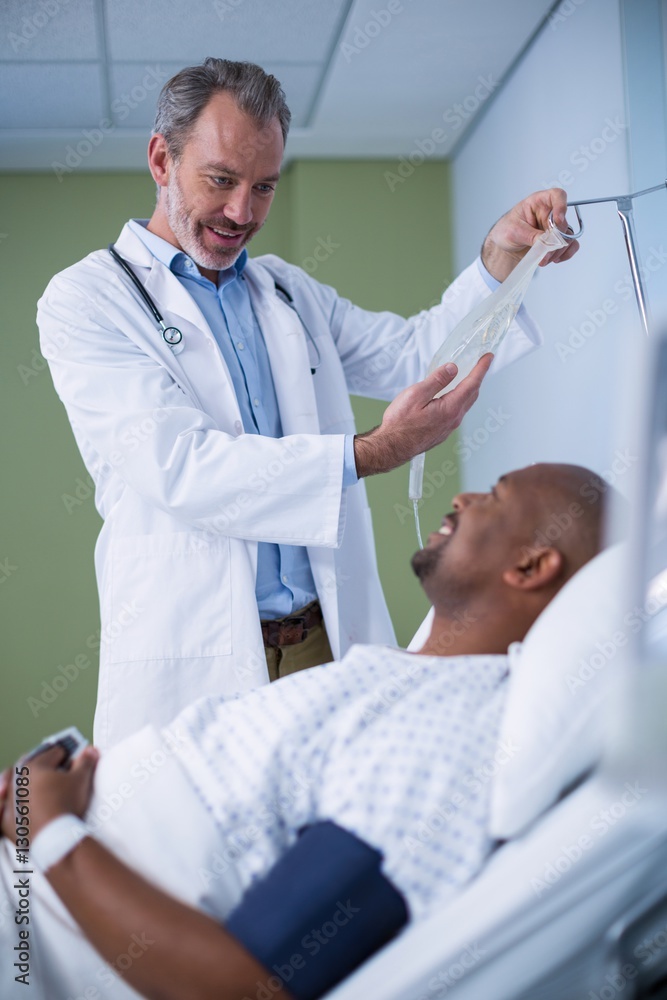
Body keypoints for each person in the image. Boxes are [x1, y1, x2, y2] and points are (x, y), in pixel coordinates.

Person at [36, 57, 579, 750]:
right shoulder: (89, 300)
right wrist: (374, 451)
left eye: (263, 187)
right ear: (160, 159)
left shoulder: (285, 290)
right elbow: (181, 466)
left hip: (324, 642)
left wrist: (503, 258)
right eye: (221, 180)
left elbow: (416, 356)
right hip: (199, 654)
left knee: (338, 841)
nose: (242, 213)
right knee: (198, 853)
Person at [0, 464, 606, 1000]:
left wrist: (48, 828)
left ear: (532, 564)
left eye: (494, 497)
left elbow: (248, 989)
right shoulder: (403, 678)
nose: (463, 499)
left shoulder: (452, 733)